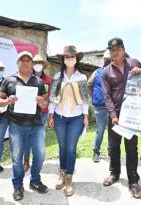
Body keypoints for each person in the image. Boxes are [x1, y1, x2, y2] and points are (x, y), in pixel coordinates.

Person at [0, 51, 48, 201]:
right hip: (16, 125)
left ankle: (35, 181)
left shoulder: (38, 82)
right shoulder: (8, 80)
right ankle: (18, 185)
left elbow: (44, 103)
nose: (25, 63)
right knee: (17, 157)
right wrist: (6, 101)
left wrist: (41, 102)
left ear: (32, 64)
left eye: (28, 60)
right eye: (22, 60)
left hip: (36, 125)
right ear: (17, 63)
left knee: (40, 155)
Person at [101, 38, 141, 199]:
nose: (115, 52)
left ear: (124, 50)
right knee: (113, 147)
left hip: (132, 115)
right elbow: (106, 96)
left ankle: (133, 180)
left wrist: (140, 72)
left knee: (131, 148)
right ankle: (114, 173)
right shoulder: (106, 71)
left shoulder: (134, 62)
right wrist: (112, 115)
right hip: (115, 116)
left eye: (118, 49)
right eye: (112, 50)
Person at [48, 45, 89, 196]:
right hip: (59, 117)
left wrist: (85, 116)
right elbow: (53, 98)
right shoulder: (57, 77)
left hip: (76, 118)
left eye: (72, 57)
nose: (70, 59)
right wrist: (51, 115)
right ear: (63, 60)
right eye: (67, 57)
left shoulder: (82, 77)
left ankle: (69, 180)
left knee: (71, 148)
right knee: (62, 147)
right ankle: (62, 175)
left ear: (76, 59)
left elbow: (85, 99)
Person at [23, 54, 51, 172]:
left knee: (38, 137)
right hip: (29, 112)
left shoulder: (48, 79)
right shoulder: (28, 78)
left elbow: (50, 96)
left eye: (40, 63)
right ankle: (26, 161)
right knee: (27, 137)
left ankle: (37, 160)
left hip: (43, 112)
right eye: (35, 63)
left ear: (43, 66)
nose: (37, 65)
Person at [87, 49, 111, 162]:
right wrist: (94, 97)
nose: (108, 61)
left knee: (113, 131)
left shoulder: (116, 72)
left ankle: (112, 152)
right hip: (100, 107)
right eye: (106, 59)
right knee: (100, 130)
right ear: (103, 59)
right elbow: (88, 85)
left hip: (113, 108)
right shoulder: (97, 72)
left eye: (109, 59)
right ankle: (96, 152)